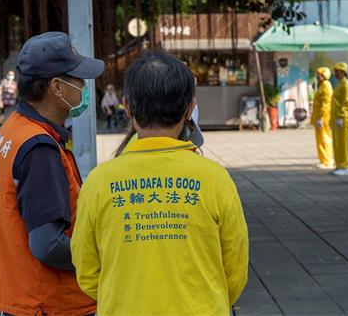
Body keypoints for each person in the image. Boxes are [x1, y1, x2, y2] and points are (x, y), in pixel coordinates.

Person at [71, 51, 248, 316]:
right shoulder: (215, 178)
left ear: (127, 106)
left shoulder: (99, 181)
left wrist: (124, 295)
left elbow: (87, 271)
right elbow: (235, 270)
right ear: (189, 108)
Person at [0, 31, 104, 316]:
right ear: (56, 88)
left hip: (22, 297)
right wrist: (102, 256)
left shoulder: (13, 129)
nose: (84, 86)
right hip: (48, 303)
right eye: (77, 79)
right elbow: (48, 245)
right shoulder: (39, 148)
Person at [330, 62, 348, 176]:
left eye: (337, 71)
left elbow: (346, 102)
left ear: (343, 72)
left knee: (343, 143)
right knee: (337, 143)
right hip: (337, 118)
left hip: (343, 119)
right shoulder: (340, 83)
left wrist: (341, 117)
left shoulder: (346, 84)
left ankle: (345, 166)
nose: (335, 74)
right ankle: (339, 164)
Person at [311, 67, 334, 169]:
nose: (317, 76)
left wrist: (321, 117)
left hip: (324, 117)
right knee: (320, 139)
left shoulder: (326, 86)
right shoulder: (322, 86)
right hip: (319, 116)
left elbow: (326, 103)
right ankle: (323, 160)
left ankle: (327, 161)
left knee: (325, 139)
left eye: (319, 74)